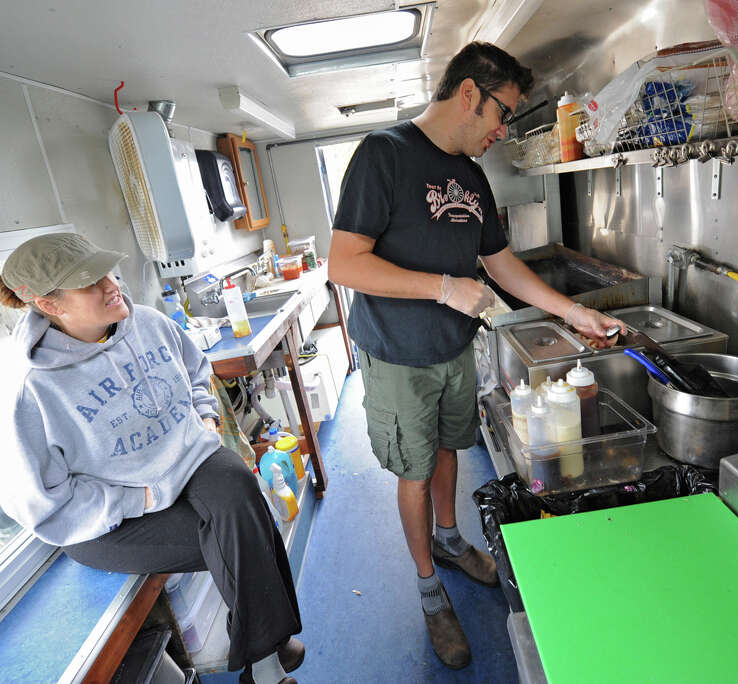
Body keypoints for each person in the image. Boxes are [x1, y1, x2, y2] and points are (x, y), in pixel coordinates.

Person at [328, 41, 621, 669]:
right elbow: (344, 263)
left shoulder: (470, 174)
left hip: (454, 349)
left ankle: (452, 539)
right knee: (413, 469)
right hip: (399, 355)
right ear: (469, 94)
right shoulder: (384, 154)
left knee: (447, 450)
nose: (502, 130)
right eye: (501, 114)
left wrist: (571, 312)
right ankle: (430, 589)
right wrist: (441, 287)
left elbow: (500, 261)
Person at [0, 233, 303, 684]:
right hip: (104, 517)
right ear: (49, 305)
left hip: (183, 457)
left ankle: (260, 643)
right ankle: (265, 658)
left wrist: (204, 417)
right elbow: (42, 504)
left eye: (106, 271)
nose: (110, 285)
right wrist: (139, 497)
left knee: (242, 489)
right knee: (229, 530)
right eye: (89, 284)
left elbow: (197, 369)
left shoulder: (147, 322)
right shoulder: (30, 388)